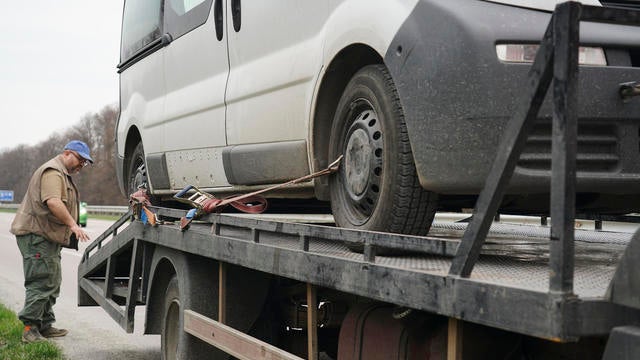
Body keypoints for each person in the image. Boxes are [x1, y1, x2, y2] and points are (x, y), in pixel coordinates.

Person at [10, 140, 93, 343]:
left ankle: (44, 325)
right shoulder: (53, 172)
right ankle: (30, 329)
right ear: (67, 153)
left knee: (52, 281)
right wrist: (73, 225)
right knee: (41, 281)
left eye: (84, 163)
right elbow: (53, 202)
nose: (80, 166)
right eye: (79, 160)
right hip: (36, 235)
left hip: (46, 236)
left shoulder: (62, 173)